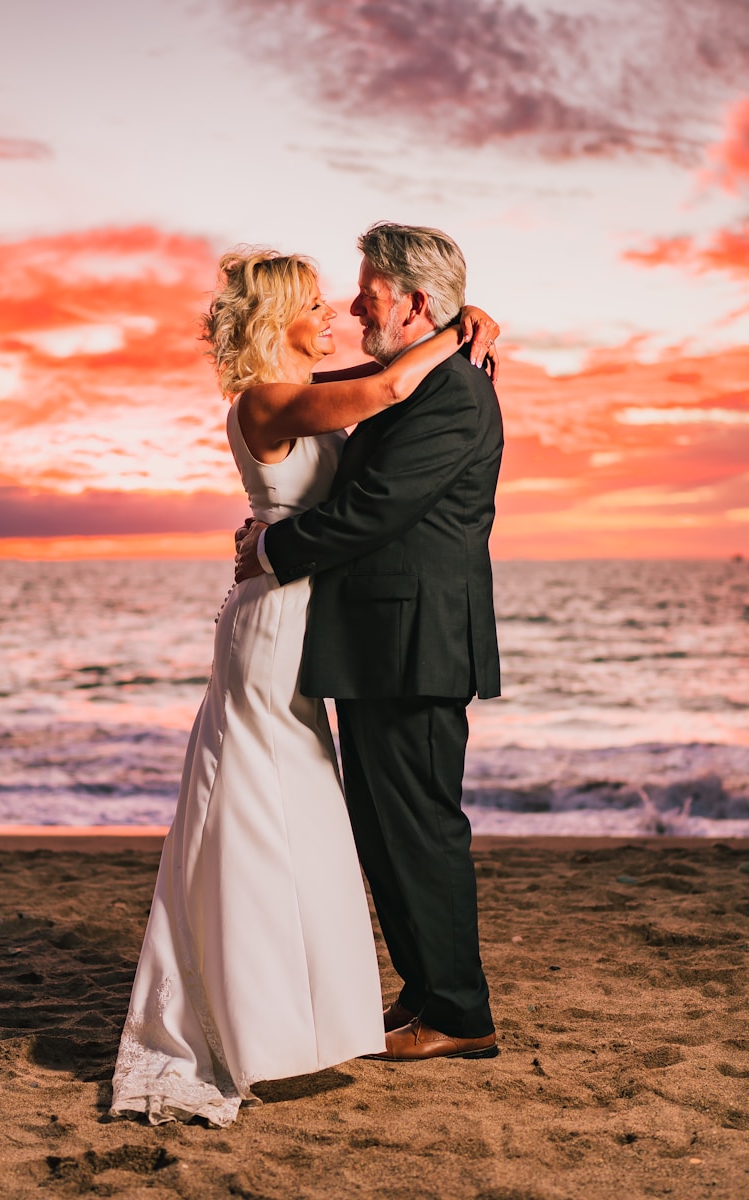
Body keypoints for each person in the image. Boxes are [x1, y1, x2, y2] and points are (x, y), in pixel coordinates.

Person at [109, 246, 500, 1127]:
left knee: (311, 804)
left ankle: (340, 1003)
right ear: (274, 317)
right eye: (319, 304)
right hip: (280, 621)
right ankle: (259, 1003)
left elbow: (385, 379)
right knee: (264, 799)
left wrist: (459, 326)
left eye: (353, 299)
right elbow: (389, 388)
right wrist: (455, 329)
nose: (339, 314)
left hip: (316, 622)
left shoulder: (313, 384)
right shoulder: (271, 398)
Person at [236, 222, 504, 1062]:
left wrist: (272, 549)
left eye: (369, 294)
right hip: (376, 637)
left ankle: (460, 1012)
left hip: (414, 638)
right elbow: (363, 391)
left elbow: (377, 506)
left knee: (419, 823)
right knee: (384, 825)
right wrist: (464, 325)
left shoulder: (454, 392)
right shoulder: (409, 377)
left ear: (415, 302)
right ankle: (425, 992)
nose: (355, 308)